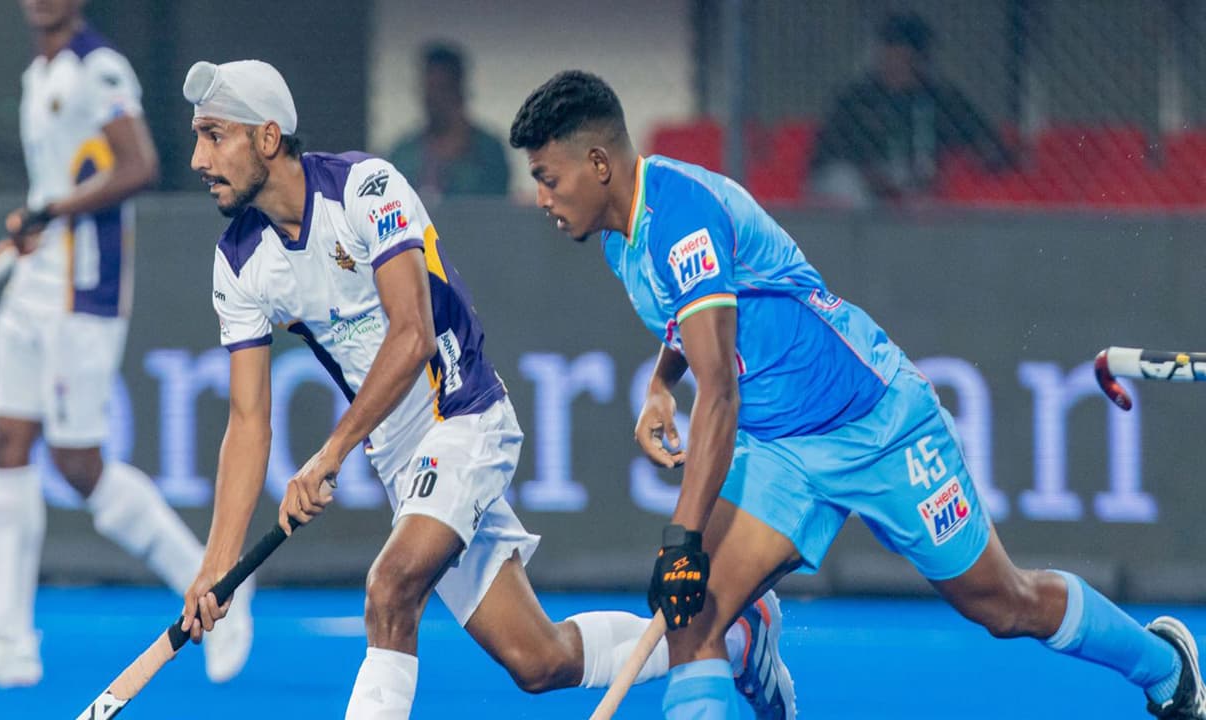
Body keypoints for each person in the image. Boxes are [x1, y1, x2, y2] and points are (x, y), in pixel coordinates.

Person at [509, 69, 1206, 720]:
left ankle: (1165, 666)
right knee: (694, 619)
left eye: (547, 177)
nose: (541, 197)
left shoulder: (681, 216)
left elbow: (719, 393)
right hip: (784, 451)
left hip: (880, 426)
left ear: (598, 165)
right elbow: (694, 324)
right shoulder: (620, 239)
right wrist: (662, 384)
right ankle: (746, 642)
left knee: (1002, 604)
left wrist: (682, 541)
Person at [178, 59, 794, 719]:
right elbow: (247, 420)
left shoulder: (365, 188)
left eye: (215, 135)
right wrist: (217, 564)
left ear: (268, 138)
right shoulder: (237, 261)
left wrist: (331, 452)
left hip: (462, 415)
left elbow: (412, 336)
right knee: (539, 659)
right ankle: (733, 638)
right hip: (399, 457)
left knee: (390, 590)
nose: (196, 158)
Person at [0, 0, 253, 688]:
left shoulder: (98, 68)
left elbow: (138, 166)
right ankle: (7, 640)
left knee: (78, 466)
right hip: (32, 286)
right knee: (9, 444)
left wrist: (46, 214)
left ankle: (221, 585)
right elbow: (50, 198)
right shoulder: (35, 75)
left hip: (85, 292)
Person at [806, 11, 1013, 208]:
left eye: (903, 61)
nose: (893, 67)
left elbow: (985, 141)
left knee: (929, 198)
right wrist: (870, 174)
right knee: (844, 183)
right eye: (887, 58)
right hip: (861, 182)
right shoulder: (857, 98)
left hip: (918, 179)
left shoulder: (942, 99)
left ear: (920, 61)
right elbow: (827, 153)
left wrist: (964, 162)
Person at [386, 42, 510, 198]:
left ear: (459, 90)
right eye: (429, 89)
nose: (434, 100)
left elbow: (495, 209)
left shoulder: (488, 151)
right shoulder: (403, 154)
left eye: (442, 89)